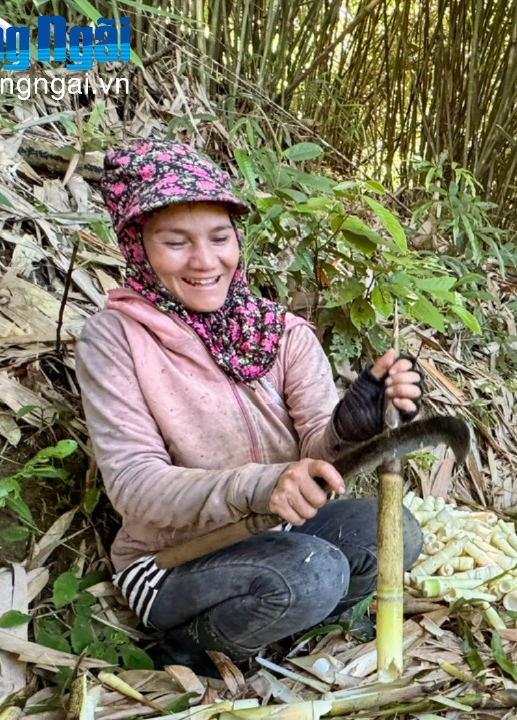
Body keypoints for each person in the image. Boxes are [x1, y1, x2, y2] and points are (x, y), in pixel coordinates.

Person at [75, 139, 425, 668]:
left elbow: (319, 452)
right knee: (312, 572)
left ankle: (289, 630)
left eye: (220, 237)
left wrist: (355, 427)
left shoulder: (279, 332)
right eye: (176, 242)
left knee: (394, 534)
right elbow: (133, 484)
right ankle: (193, 649)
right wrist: (260, 484)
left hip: (279, 534)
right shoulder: (115, 339)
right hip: (170, 560)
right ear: (137, 245)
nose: (205, 261)